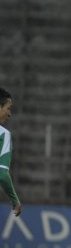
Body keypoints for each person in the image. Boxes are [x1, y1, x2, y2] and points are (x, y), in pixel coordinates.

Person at [0, 87, 22, 218]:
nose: (10, 114)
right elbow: (2, 173)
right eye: (8, 108)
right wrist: (15, 200)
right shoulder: (3, 135)